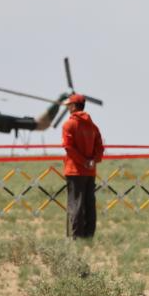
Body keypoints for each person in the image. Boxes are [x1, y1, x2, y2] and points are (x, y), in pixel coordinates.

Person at [61, 93, 104, 239]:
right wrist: (92, 161)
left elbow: (68, 147)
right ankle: (88, 236)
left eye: (68, 106)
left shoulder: (69, 124)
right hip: (90, 172)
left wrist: (83, 161)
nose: (67, 108)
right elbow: (100, 148)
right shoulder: (93, 126)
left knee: (75, 204)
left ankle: (76, 238)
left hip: (75, 171)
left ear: (73, 106)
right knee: (89, 204)